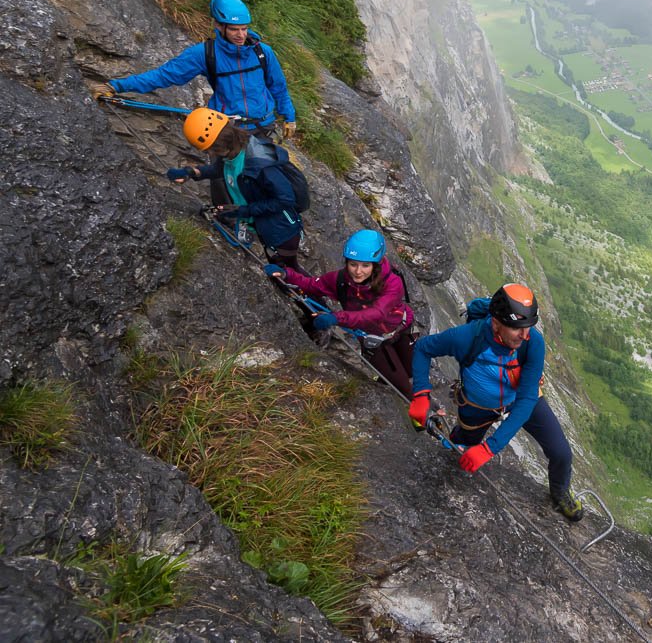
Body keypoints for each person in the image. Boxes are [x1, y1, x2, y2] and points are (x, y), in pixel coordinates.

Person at [407, 284, 584, 521]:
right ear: (496, 322)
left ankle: (560, 493)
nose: (524, 335)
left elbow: (528, 398)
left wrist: (490, 448)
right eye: (517, 328)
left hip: (519, 399)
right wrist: (420, 394)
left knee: (562, 452)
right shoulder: (468, 337)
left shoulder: (533, 342)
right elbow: (422, 349)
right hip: (478, 406)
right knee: (456, 455)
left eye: (529, 326)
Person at [92, 0, 297, 138]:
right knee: (226, 190)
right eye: (234, 29)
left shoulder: (262, 52)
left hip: (264, 127)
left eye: (244, 29)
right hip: (227, 129)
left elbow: (278, 86)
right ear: (219, 26)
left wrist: (289, 117)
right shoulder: (204, 54)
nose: (241, 35)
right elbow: (163, 76)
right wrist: (116, 86)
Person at [263, 230, 416, 397]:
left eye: (365, 265)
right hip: (375, 342)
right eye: (353, 264)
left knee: (414, 373)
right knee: (406, 391)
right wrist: (286, 274)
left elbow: (377, 313)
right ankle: (420, 420)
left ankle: (390, 379)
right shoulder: (341, 280)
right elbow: (311, 284)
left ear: (376, 264)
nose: (358, 271)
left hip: (402, 329)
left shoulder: (393, 282)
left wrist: (336, 318)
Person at [166, 108, 303, 270]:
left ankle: (309, 293)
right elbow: (218, 170)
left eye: (210, 149)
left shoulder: (260, 165)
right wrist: (191, 172)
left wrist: (244, 210)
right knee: (281, 268)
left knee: (287, 271)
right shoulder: (231, 155)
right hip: (263, 224)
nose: (209, 153)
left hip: (281, 231)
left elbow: (285, 200)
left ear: (221, 143)